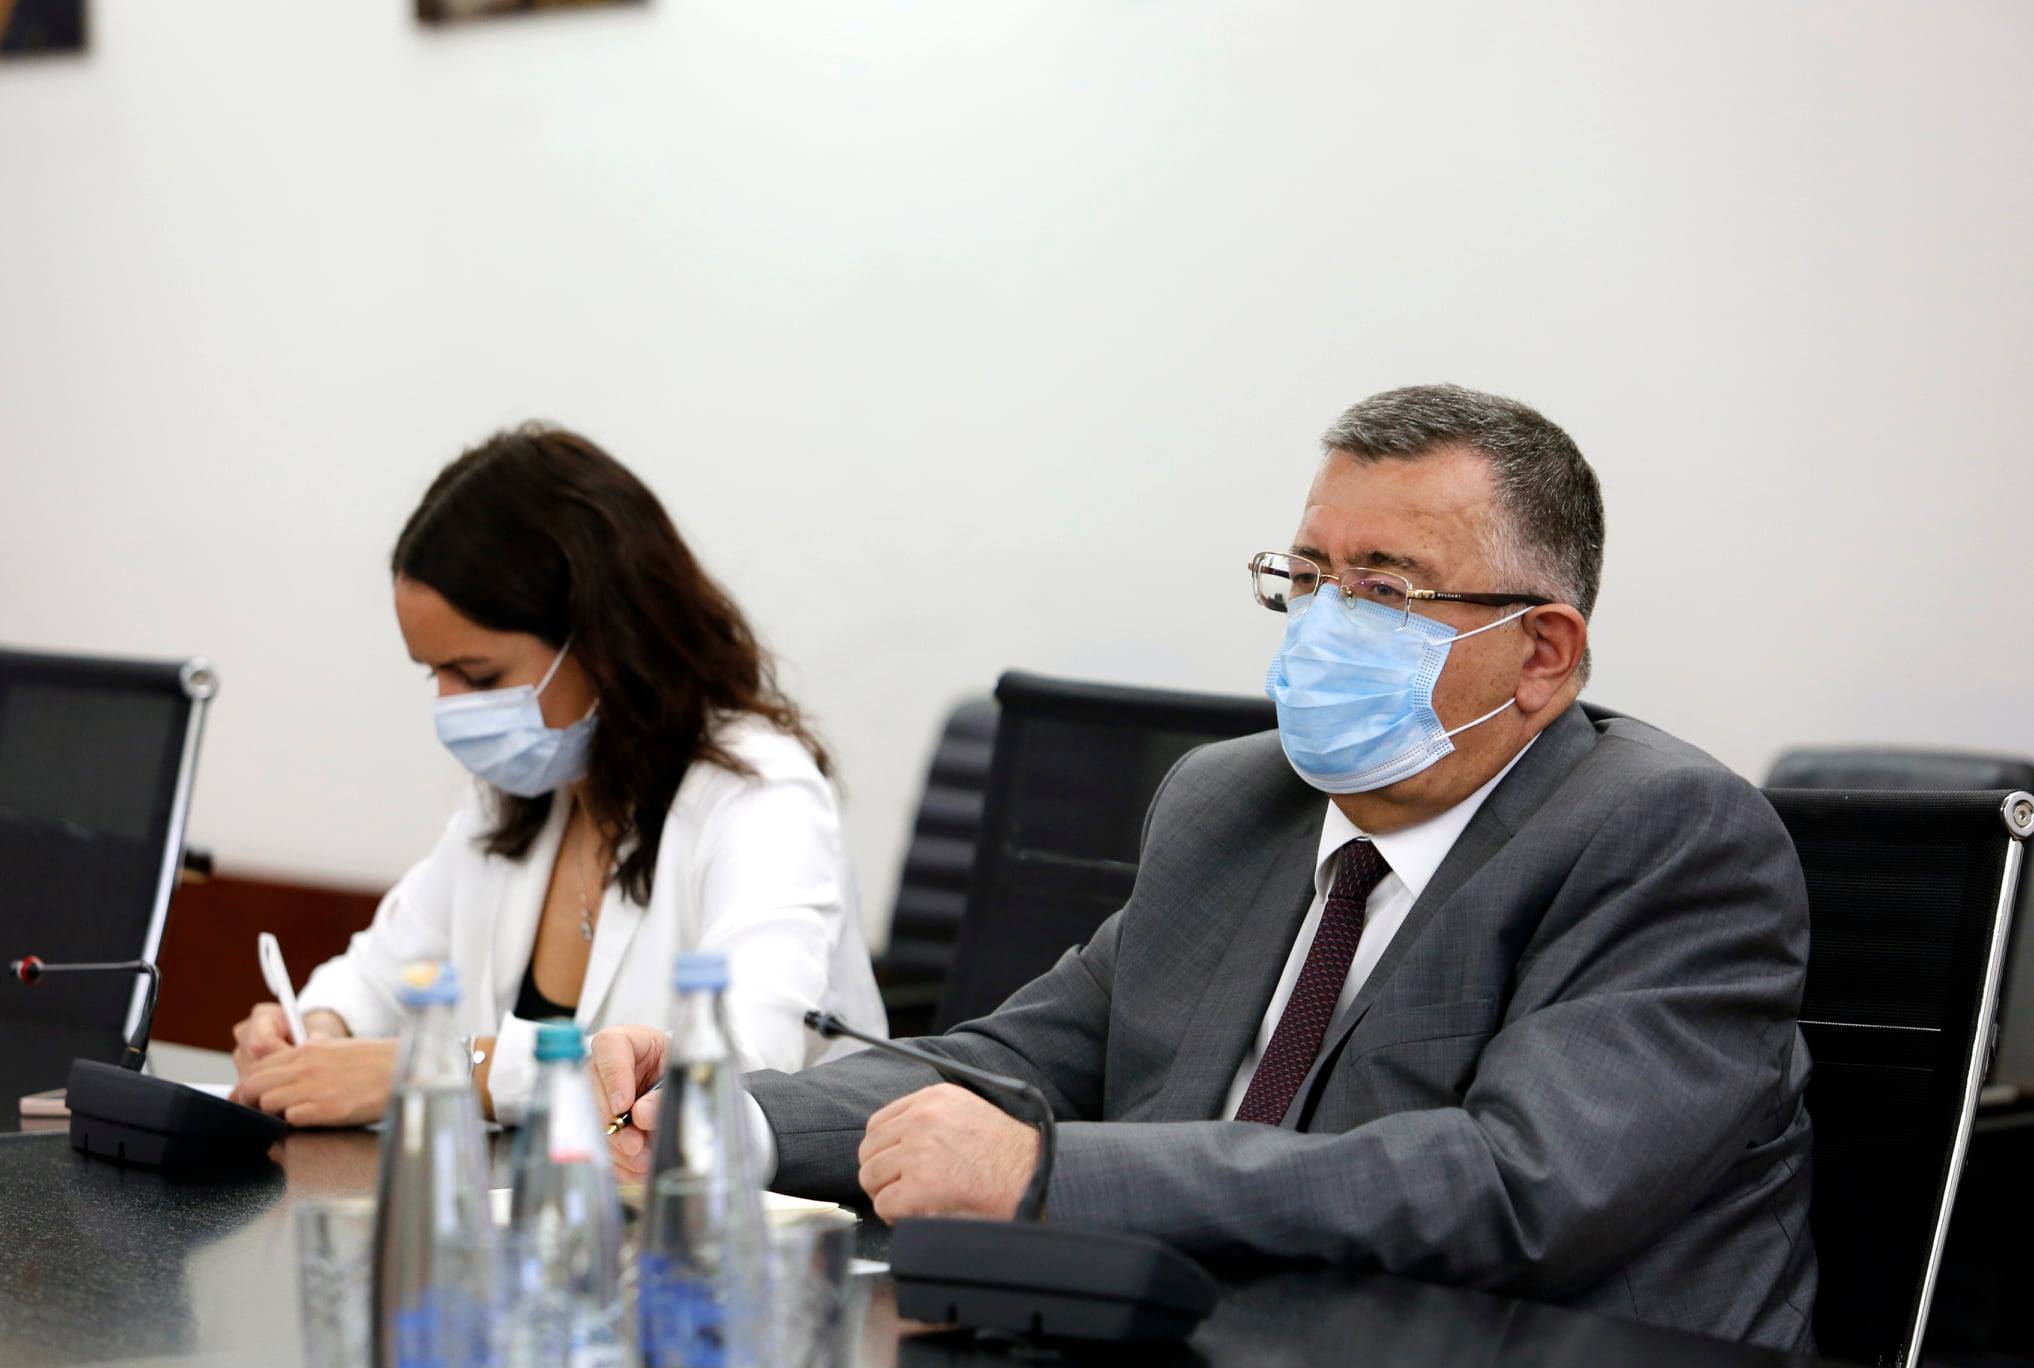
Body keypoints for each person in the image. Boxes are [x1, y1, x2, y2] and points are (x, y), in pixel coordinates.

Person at [593, 384, 1819, 1350]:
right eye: (1309, 578)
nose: (1324, 624)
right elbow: (1026, 1062)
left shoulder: (1666, 837)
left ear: (1542, 652)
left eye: (1383, 589)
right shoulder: (1233, 802)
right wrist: (734, 1119)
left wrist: (1049, 1173)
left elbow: (1514, 1187)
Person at [229, 423, 885, 1126]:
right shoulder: (522, 793)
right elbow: (380, 973)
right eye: (434, 674)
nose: (451, 708)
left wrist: (441, 1066)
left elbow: (740, 1062)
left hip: (757, 1193)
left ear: (603, 638)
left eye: (479, 676)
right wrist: (317, 1027)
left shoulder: (761, 794)